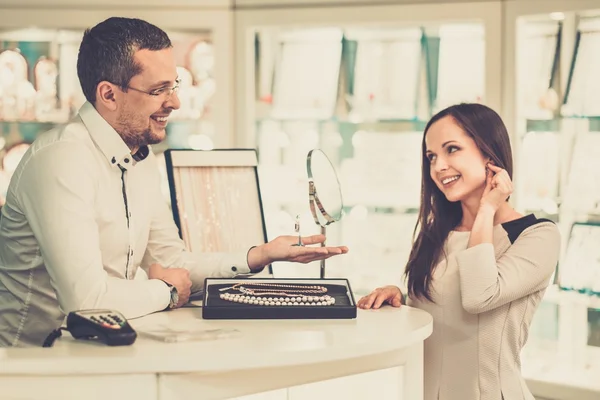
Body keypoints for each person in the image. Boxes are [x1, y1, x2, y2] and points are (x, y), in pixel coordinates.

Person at [0, 17, 348, 348]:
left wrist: (259, 255)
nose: (176, 102)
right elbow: (87, 300)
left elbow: (174, 261)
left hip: (100, 350)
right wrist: (165, 290)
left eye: (174, 85)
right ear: (108, 95)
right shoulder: (63, 159)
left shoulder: (138, 156)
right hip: (34, 364)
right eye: (159, 90)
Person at [357, 103, 560, 400]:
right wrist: (401, 299)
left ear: (489, 154)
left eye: (452, 149)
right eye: (431, 157)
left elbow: (480, 295)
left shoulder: (536, 234)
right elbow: (439, 317)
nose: (439, 166)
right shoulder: (436, 233)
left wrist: (488, 208)